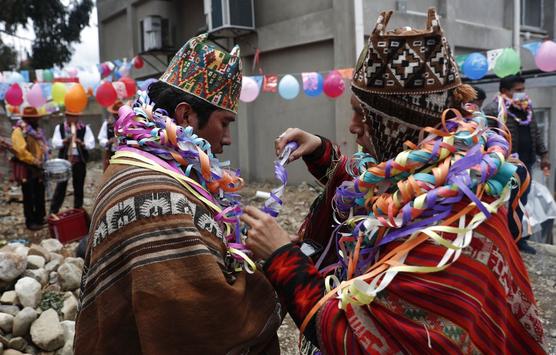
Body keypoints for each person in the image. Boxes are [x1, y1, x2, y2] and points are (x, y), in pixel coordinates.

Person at [241, 9, 546, 354]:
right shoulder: (444, 173)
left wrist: (282, 257)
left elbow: (357, 342)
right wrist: (320, 152)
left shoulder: (442, 236)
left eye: (362, 114)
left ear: (395, 127)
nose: (352, 126)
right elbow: (369, 187)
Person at [74, 34, 283, 354]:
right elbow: (201, 321)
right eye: (224, 123)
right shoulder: (152, 192)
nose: (227, 139)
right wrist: (280, 265)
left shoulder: (140, 164)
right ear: (186, 116)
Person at [484, 75, 550, 254]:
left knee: (520, 202)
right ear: (505, 91)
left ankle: (517, 240)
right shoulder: (492, 109)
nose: (522, 93)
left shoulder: (526, 108)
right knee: (503, 202)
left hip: (525, 165)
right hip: (505, 166)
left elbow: (535, 133)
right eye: (518, 90)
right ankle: (500, 240)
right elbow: (487, 137)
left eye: (523, 89)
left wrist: (543, 155)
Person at [49, 109, 95, 214]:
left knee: (78, 186)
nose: (72, 119)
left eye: (75, 117)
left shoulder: (84, 128)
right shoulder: (60, 128)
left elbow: (91, 144)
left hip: (79, 161)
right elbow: (55, 143)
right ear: (66, 116)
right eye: (70, 116)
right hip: (64, 161)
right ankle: (53, 211)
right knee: (61, 186)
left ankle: (77, 210)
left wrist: (81, 143)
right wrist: (64, 141)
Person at [10, 107, 48, 230]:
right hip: (26, 167)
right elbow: (20, 151)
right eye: (34, 118)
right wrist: (33, 160)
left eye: (37, 118)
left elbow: (42, 146)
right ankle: (30, 222)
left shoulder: (37, 131)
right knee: (29, 195)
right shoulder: (19, 131)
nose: (37, 120)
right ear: (27, 118)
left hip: (38, 166)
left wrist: (43, 157)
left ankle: (40, 218)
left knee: (40, 193)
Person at [98, 100, 122, 171]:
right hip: (110, 154)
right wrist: (109, 141)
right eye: (115, 114)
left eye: (118, 114)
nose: (116, 116)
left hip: (124, 154)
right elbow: (101, 139)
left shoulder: (127, 125)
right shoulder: (107, 124)